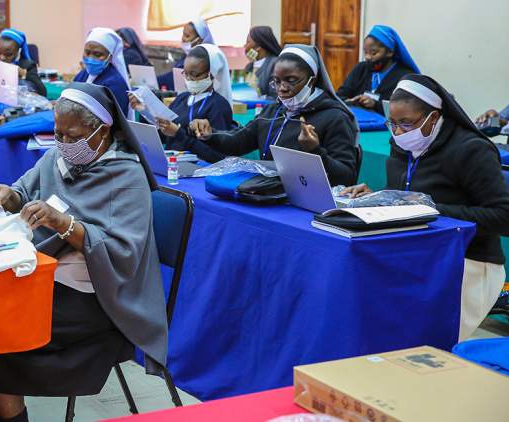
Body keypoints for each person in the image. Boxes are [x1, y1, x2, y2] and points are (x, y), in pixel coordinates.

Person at [0, 83, 167, 422]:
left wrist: (65, 225)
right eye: (57, 133)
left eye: (72, 136)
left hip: (102, 299)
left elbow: (123, 254)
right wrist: (6, 194)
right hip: (48, 278)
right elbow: (22, 191)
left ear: (102, 130)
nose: (63, 144)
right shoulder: (58, 157)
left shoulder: (127, 175)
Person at [342, 75, 509, 340]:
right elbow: (408, 195)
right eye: (393, 124)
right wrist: (382, 196)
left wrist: (430, 208)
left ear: (434, 116)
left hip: (467, 261)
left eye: (406, 123)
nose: (397, 133)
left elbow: (503, 217)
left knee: (417, 339)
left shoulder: (471, 150)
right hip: (415, 251)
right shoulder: (402, 143)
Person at [191, 44, 360, 186]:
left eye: (291, 80)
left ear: (312, 79)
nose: (282, 88)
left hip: (311, 202)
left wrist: (315, 151)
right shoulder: (273, 112)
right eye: (277, 81)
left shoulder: (335, 117)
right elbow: (238, 142)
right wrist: (209, 135)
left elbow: (346, 177)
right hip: (271, 192)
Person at [129, 44, 233, 162]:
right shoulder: (183, 98)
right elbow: (164, 137)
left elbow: (217, 157)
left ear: (211, 74)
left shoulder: (218, 106)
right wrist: (145, 111)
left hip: (199, 170)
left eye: (194, 75)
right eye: (186, 73)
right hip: (172, 163)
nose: (188, 79)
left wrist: (178, 133)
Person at [337, 25, 420, 114]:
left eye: (373, 52)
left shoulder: (404, 77)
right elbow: (339, 96)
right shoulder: (360, 69)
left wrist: (375, 104)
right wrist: (351, 101)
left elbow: (405, 109)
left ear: (389, 52)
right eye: (365, 52)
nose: (367, 57)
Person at [73, 27, 131, 116]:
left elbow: (114, 120)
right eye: (87, 52)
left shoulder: (115, 83)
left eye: (97, 54)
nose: (91, 58)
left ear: (110, 57)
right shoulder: (83, 74)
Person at [0, 28, 46, 97]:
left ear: (18, 52)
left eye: (8, 55)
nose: (2, 58)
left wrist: (23, 75)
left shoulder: (27, 65)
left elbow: (42, 92)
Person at [157, 17, 215, 90]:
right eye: (183, 34)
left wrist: (155, 81)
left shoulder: (203, 59)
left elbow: (172, 78)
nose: (183, 38)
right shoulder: (186, 55)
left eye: (187, 36)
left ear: (199, 40)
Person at [243, 26, 282, 99]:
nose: (244, 46)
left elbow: (274, 97)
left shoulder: (275, 65)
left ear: (258, 47)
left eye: (248, 42)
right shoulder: (249, 66)